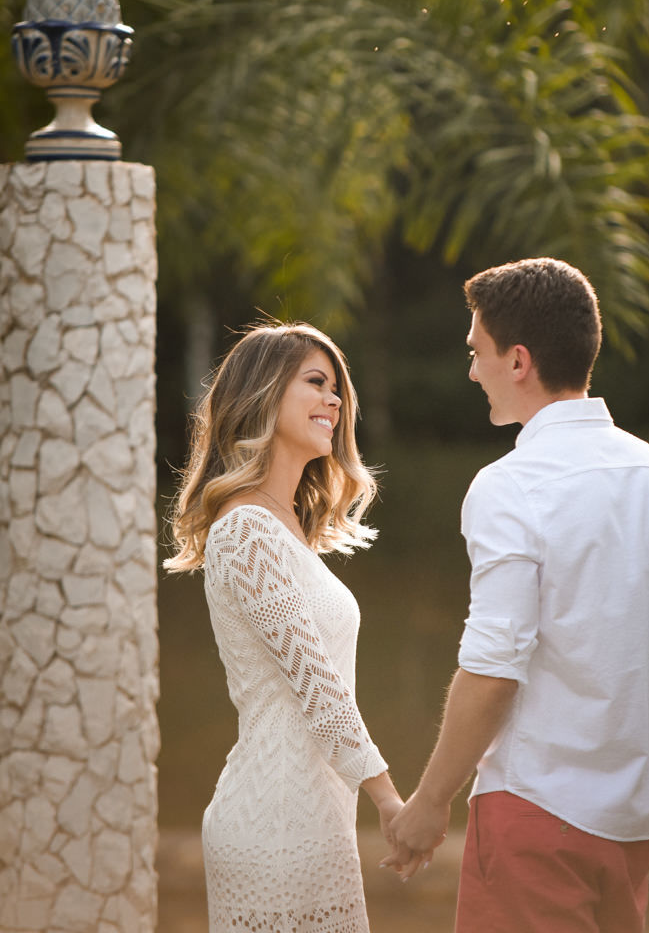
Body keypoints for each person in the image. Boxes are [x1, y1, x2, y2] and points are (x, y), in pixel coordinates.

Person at [385, 258, 649, 933]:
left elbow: (494, 668)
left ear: (520, 360)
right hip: (633, 828)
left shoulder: (510, 486)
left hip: (532, 820)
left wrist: (427, 804)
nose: (471, 369)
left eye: (478, 351)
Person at [165, 320, 404, 933]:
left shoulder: (285, 529)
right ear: (265, 393)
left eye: (338, 391)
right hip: (272, 825)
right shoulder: (245, 531)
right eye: (316, 383)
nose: (334, 401)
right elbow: (318, 687)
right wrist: (392, 802)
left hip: (318, 821)